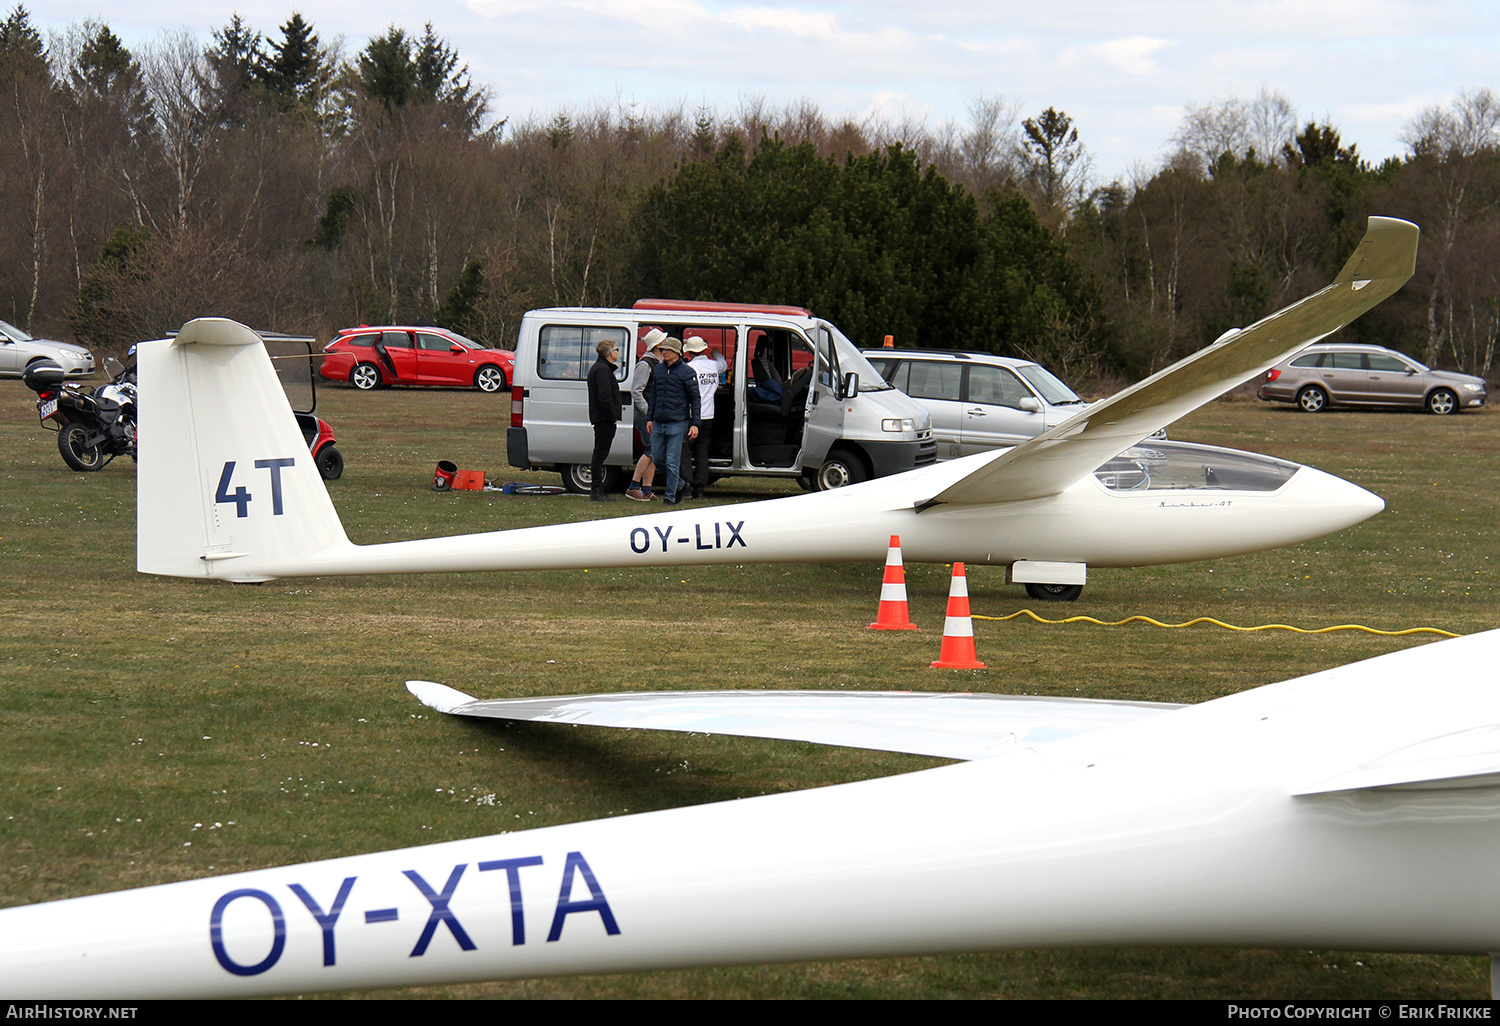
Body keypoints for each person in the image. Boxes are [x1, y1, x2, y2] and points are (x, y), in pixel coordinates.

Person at [645, 336, 700, 505]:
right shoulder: (659, 370)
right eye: (662, 350)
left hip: (678, 422)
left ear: (677, 353)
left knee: (672, 461)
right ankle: (681, 485)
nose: (664, 352)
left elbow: (695, 399)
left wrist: (695, 424)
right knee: (658, 458)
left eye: (667, 350)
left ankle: (670, 498)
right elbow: (654, 394)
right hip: (659, 421)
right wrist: (650, 417)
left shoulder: (687, 372)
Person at [627, 330, 665, 501]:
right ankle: (633, 486)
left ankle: (647, 489)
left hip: (653, 413)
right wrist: (648, 411)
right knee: (650, 450)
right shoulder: (645, 364)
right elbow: (636, 391)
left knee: (653, 452)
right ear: (658, 345)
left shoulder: (656, 362)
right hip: (647, 414)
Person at [586, 338, 622, 501]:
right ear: (610, 353)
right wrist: (612, 417)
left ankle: (597, 489)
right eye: (616, 349)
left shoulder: (602, 368)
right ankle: (597, 490)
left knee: (600, 453)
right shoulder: (602, 370)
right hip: (603, 419)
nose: (617, 352)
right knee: (600, 454)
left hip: (603, 418)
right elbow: (604, 397)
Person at [684, 336, 718, 499]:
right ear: (704, 349)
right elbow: (723, 364)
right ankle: (700, 487)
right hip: (709, 415)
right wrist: (717, 354)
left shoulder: (689, 367)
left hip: (692, 416)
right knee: (702, 452)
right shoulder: (714, 365)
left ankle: (687, 483)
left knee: (686, 451)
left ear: (689, 352)